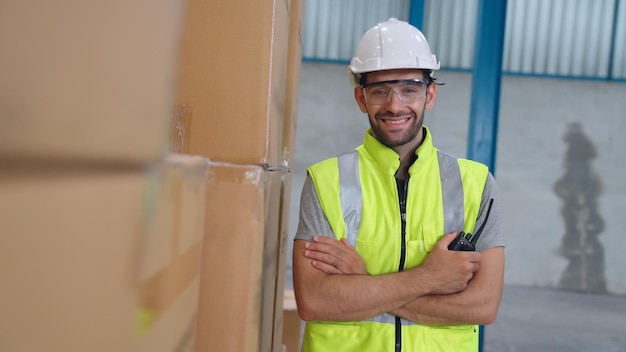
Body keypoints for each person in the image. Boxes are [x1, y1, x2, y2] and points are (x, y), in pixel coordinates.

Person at [292, 17, 505, 352]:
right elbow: (315, 301)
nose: (394, 105)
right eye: (380, 91)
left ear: (429, 94)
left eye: (409, 89)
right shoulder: (325, 180)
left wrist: (363, 285)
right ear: (361, 99)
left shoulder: (475, 184)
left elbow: (481, 307)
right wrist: (430, 279)